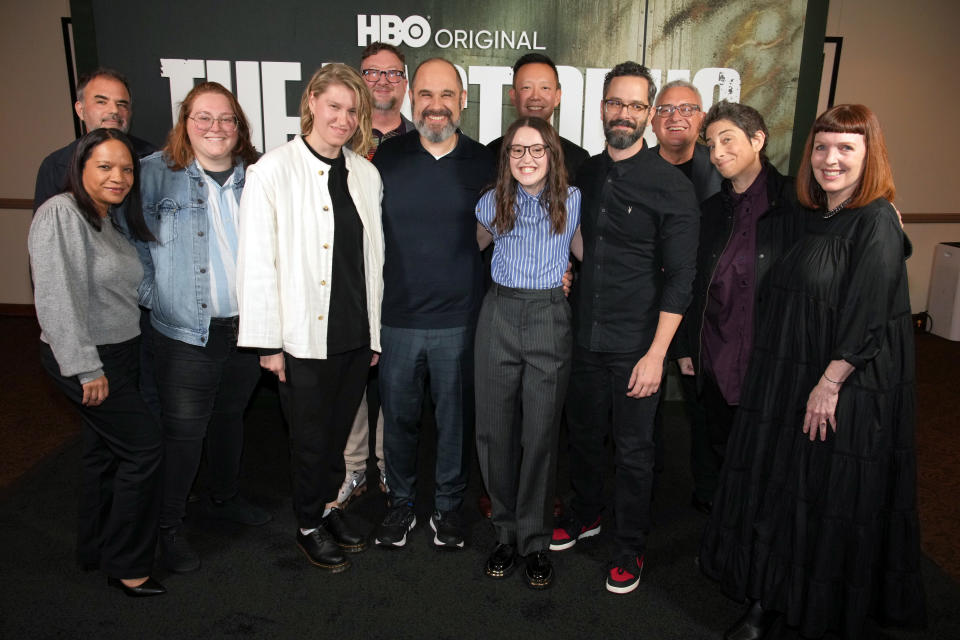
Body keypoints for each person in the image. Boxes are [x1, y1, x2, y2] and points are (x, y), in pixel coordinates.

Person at [699, 104, 926, 640]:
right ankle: (766, 596)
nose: (831, 159)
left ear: (870, 156)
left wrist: (829, 384)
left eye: (847, 148)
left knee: (815, 501)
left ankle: (794, 607)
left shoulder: (875, 220)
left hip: (838, 388)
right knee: (781, 490)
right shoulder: (810, 213)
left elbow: (872, 314)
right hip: (788, 378)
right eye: (822, 147)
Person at [550, 62, 700, 595]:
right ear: (601, 107)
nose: (625, 113)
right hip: (583, 337)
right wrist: (565, 268)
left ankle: (629, 546)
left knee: (635, 451)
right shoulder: (586, 173)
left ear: (651, 114)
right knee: (585, 436)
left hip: (638, 343)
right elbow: (579, 238)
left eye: (638, 105)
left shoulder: (671, 187)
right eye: (617, 102)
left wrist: (658, 353)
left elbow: (682, 276)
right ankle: (587, 512)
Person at [237, 64, 384, 573]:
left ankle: (324, 510)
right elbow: (256, 263)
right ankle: (305, 526)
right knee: (309, 440)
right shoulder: (272, 171)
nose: (343, 119)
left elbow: (373, 261)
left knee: (339, 436)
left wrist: (375, 333)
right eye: (334, 106)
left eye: (352, 110)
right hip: (300, 338)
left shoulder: (366, 174)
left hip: (353, 333)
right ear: (312, 103)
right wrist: (268, 343)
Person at [135, 82, 270, 574]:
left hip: (246, 330)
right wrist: (155, 296)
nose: (216, 128)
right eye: (204, 118)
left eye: (226, 119)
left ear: (239, 127)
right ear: (185, 123)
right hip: (186, 333)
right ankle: (168, 528)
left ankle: (224, 496)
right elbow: (129, 244)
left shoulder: (257, 177)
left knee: (231, 417)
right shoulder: (154, 175)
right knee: (185, 434)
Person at [29, 128, 164, 597]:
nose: (119, 177)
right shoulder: (60, 213)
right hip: (89, 356)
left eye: (126, 169)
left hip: (121, 351)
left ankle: (95, 548)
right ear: (81, 167)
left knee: (103, 454)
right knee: (144, 448)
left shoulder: (106, 219)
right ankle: (127, 564)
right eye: (105, 166)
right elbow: (55, 298)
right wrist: (86, 367)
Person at [371, 57, 495, 550]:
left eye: (447, 95)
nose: (436, 105)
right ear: (411, 99)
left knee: (455, 423)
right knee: (398, 422)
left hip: (461, 321)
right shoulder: (386, 160)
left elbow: (499, 231)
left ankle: (448, 508)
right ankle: (399, 507)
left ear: (463, 100)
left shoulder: (485, 162)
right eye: (426, 94)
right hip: (397, 320)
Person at [474, 117, 582, 589]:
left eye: (536, 150)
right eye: (517, 151)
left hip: (548, 318)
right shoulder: (491, 202)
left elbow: (588, 255)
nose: (526, 159)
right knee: (495, 432)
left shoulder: (574, 201)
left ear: (552, 154)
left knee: (540, 434)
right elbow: (465, 253)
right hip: (498, 314)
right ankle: (504, 534)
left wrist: (571, 281)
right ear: (507, 158)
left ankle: (535, 542)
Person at [335, 41, 414, 509]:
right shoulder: (337, 137)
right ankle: (353, 468)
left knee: (395, 380)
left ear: (405, 84)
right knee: (351, 378)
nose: (383, 81)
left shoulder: (419, 142)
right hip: (348, 283)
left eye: (393, 74)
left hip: (401, 283)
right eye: (372, 73)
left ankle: (386, 465)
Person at [647, 79, 722, 515]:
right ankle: (646, 490)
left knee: (702, 408)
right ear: (653, 118)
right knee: (644, 407)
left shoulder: (722, 169)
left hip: (701, 311)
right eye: (666, 108)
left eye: (687, 108)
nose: (676, 116)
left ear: (703, 119)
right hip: (647, 308)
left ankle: (709, 492)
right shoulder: (636, 167)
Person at [34, 68, 157, 212]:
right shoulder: (56, 166)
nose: (114, 111)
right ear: (80, 110)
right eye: (101, 102)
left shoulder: (153, 158)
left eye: (122, 104)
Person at [486, 53, 589, 182]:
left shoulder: (578, 159)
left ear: (557, 97)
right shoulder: (491, 153)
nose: (535, 96)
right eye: (526, 87)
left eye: (544, 88)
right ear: (513, 96)